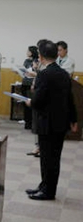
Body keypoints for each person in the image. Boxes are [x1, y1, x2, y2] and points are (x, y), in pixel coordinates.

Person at [25, 41, 77, 201]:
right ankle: (44, 186)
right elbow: (70, 98)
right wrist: (74, 119)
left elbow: (39, 100)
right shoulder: (63, 73)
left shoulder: (44, 74)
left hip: (47, 122)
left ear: (41, 57)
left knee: (48, 159)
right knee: (53, 158)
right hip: (60, 122)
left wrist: (30, 102)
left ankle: (48, 191)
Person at [21, 45, 39, 130]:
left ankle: (31, 122)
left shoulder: (37, 61)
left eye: (28, 51)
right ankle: (26, 120)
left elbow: (37, 73)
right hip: (24, 82)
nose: (27, 52)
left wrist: (34, 70)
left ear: (32, 52)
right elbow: (24, 70)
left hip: (31, 84)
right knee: (25, 102)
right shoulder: (26, 61)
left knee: (31, 103)